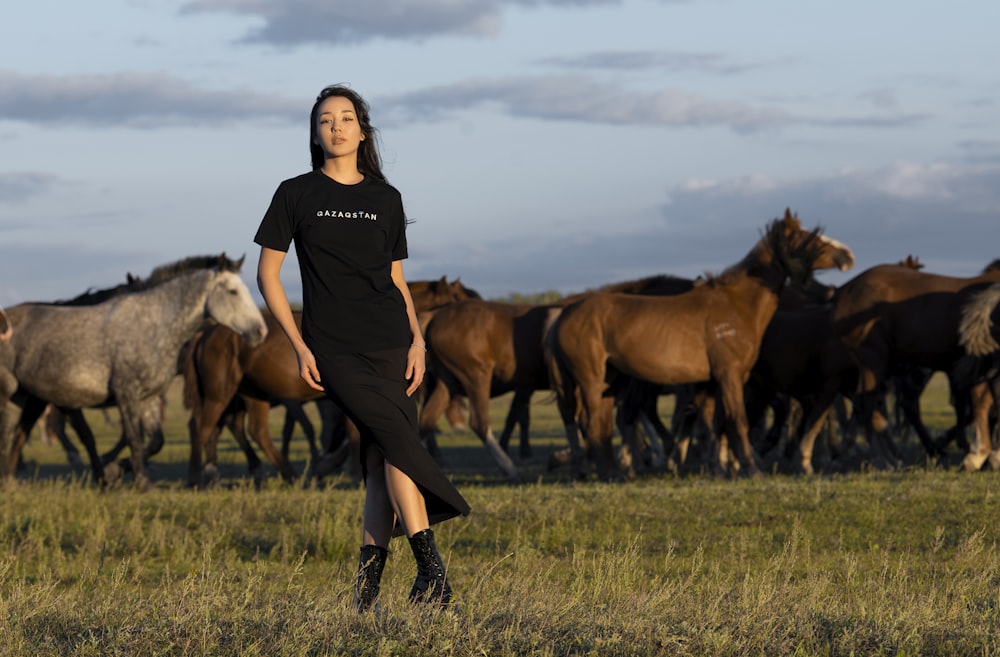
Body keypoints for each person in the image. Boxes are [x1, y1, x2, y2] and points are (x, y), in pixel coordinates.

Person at [254, 84, 471, 612]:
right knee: (398, 443)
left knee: (379, 461)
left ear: (362, 130)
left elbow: (396, 280)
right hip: (334, 346)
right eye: (325, 120)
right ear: (314, 133)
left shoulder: (385, 198)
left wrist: (418, 339)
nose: (336, 127)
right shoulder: (295, 193)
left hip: (393, 342)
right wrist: (300, 345)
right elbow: (267, 276)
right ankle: (432, 572)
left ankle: (365, 595)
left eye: (346, 118)